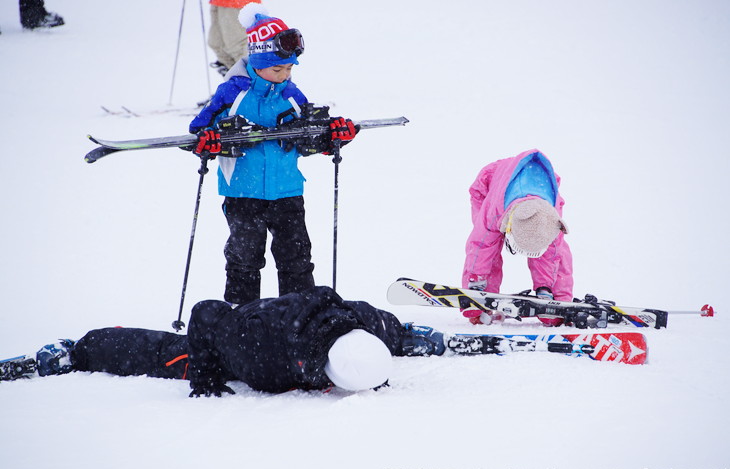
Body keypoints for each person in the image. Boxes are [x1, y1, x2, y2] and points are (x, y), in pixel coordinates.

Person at [189, 8, 358, 307]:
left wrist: (333, 136)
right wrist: (210, 139)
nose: (285, 76)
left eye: (290, 69)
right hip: (242, 192)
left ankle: (300, 317)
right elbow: (198, 130)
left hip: (287, 191)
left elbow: (312, 132)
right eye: (278, 70)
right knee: (245, 258)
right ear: (257, 61)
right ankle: (242, 319)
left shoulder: (292, 94)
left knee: (296, 258)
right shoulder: (232, 92)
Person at [1, 287, 448, 396]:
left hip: (290, 326)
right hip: (231, 333)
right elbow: (206, 312)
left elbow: (383, 325)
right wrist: (208, 374)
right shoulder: (261, 353)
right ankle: (77, 350)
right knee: (166, 355)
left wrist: (408, 338)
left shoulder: (362, 322)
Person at [462, 149, 573, 325]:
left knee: (555, 250)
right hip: (490, 190)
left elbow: (553, 255)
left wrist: (548, 293)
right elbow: (480, 246)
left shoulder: (552, 218)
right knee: (488, 245)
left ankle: (554, 293)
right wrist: (476, 286)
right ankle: (482, 289)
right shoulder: (493, 211)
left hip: (535, 197)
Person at [207, 0, 261, 77]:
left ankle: (249, 78)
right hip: (219, 3)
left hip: (236, 3)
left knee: (238, 47)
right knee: (216, 43)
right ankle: (233, 74)